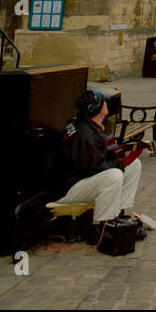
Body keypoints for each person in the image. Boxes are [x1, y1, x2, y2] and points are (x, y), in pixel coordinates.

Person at [50, 89, 144, 226]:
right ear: (97, 109)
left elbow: (104, 152)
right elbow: (93, 168)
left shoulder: (91, 125)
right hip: (67, 189)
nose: (106, 104)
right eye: (103, 102)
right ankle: (104, 225)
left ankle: (119, 213)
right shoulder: (85, 133)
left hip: (80, 180)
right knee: (114, 175)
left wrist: (128, 154)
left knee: (135, 165)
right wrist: (124, 162)